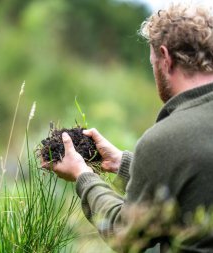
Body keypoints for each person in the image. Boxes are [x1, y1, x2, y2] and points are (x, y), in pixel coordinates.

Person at [43, 3, 213, 252]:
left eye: (152, 61)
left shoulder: (166, 140)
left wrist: (83, 175)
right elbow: (192, 177)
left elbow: (125, 234)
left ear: (165, 58)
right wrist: (121, 163)